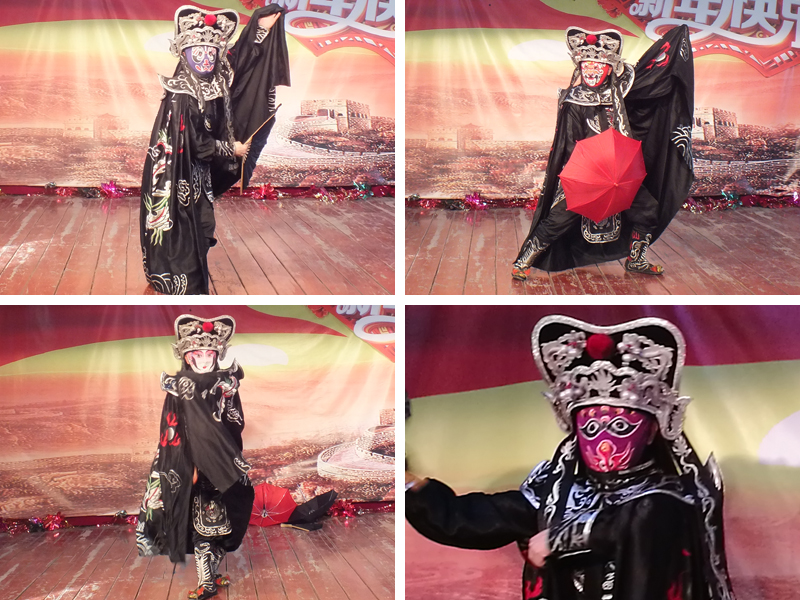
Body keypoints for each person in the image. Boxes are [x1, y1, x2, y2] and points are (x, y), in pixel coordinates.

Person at [406, 315, 737, 600]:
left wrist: (559, 540)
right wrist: (409, 485)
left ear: (651, 431)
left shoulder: (673, 497)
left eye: (620, 426)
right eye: (591, 428)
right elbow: (473, 521)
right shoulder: (557, 493)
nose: (604, 444)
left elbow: (638, 521)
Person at [511, 26, 694, 280]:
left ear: (608, 68)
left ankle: (636, 259)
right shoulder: (573, 100)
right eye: (587, 65)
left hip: (619, 173)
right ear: (579, 67)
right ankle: (524, 260)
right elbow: (569, 144)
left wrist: (675, 42)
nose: (592, 70)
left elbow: (654, 82)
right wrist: (588, 171)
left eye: (598, 66)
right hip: (584, 171)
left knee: (648, 209)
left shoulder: (620, 93)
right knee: (558, 219)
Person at [136, 314, 255, 600]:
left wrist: (228, 399)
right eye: (197, 354)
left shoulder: (226, 383)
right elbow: (172, 429)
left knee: (221, 523)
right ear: (188, 357)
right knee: (201, 526)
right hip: (191, 465)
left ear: (216, 355)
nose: (203, 360)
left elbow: (235, 423)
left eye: (209, 354)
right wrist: (183, 464)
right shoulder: (180, 387)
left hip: (223, 463)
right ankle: (206, 583)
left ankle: (211, 575)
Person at [140, 7, 249, 295]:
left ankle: (192, 270)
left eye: (211, 53)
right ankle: (180, 277)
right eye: (198, 53)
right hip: (179, 175)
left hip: (197, 173)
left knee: (203, 223)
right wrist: (231, 149)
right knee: (186, 226)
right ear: (185, 55)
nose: (205, 59)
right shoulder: (183, 94)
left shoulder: (209, 87)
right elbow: (198, 143)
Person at [212, 4, 291, 195]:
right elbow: (241, 57)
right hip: (217, 111)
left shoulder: (251, 61)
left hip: (238, 110)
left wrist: (262, 31)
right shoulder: (214, 57)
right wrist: (260, 29)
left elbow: (245, 59)